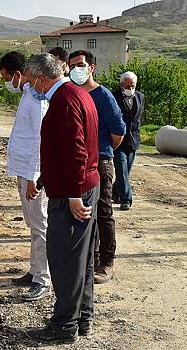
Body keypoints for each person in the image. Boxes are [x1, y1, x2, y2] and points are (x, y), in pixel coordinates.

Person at [23, 53, 100, 344]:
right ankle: (82, 318)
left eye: (31, 81)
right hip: (78, 186)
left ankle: (64, 325)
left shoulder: (64, 101)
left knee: (65, 259)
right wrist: (47, 178)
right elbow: (62, 149)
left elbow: (77, 153)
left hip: (74, 192)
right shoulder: (76, 94)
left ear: (42, 78)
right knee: (81, 259)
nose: (31, 87)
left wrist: (72, 194)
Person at [68, 50, 126, 285]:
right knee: (83, 212)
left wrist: (101, 151)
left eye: (80, 65)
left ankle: (106, 262)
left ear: (91, 67)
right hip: (77, 163)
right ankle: (88, 259)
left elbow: (118, 131)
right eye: (72, 65)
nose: (76, 69)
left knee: (103, 212)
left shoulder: (103, 96)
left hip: (100, 162)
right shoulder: (70, 93)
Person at [0, 51, 51, 301]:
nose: (6, 82)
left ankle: (43, 278)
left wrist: (34, 177)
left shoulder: (37, 100)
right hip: (23, 170)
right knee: (32, 224)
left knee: (40, 225)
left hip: (32, 173)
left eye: (7, 77)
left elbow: (41, 141)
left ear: (19, 75)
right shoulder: (28, 94)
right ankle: (35, 270)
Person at [112, 71, 145, 211]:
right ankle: (126, 199)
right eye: (127, 86)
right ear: (121, 85)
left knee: (126, 171)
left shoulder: (140, 97)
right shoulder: (114, 97)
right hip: (118, 141)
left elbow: (137, 119)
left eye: (133, 86)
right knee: (121, 170)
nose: (130, 88)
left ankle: (115, 192)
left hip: (133, 141)